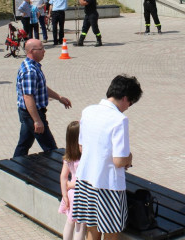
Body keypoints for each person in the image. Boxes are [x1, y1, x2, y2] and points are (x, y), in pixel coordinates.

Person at [72, 75, 142, 239]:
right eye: (130, 103)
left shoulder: (88, 111)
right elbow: (119, 160)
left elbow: (81, 147)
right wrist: (129, 158)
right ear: (125, 98)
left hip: (85, 181)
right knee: (111, 233)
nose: (128, 107)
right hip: (108, 186)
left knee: (92, 231)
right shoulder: (119, 120)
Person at [13, 39, 72, 157]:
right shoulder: (30, 71)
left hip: (29, 113)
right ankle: (60, 172)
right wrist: (37, 120)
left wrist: (59, 97)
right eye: (41, 49)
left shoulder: (33, 66)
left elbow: (41, 88)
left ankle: (14, 165)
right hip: (32, 113)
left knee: (24, 144)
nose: (44, 51)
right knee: (50, 147)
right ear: (31, 51)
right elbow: (28, 97)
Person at [58, 121, 86, 240]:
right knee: (80, 226)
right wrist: (72, 184)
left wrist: (64, 193)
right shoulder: (83, 158)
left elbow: (63, 176)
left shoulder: (68, 157)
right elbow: (85, 180)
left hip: (70, 194)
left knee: (69, 223)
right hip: (81, 194)